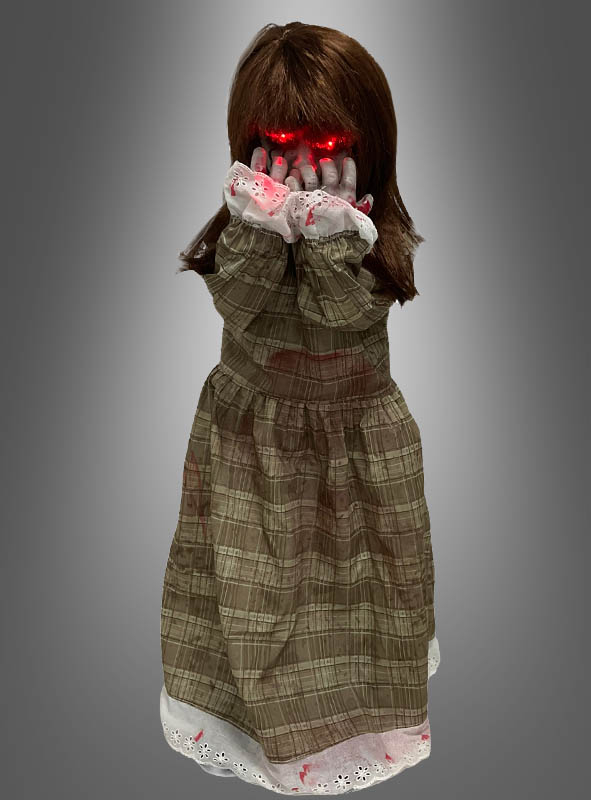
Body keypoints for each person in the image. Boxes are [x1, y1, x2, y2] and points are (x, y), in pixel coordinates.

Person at [159, 20, 440, 795]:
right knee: (251, 600)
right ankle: (255, 731)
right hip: (252, 441)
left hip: (355, 438)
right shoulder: (241, 230)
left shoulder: (371, 238)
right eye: (284, 142)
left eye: (326, 145)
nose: (304, 164)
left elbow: (339, 312)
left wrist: (327, 233)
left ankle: (358, 727)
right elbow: (240, 306)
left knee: (361, 600)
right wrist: (260, 225)